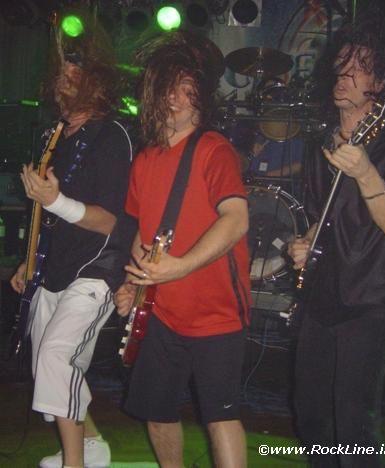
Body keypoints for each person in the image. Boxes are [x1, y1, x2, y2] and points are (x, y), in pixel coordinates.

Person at [287, 9, 385, 468]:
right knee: (311, 415)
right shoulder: (322, 144)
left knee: (353, 422)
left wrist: (366, 171)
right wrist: (303, 243)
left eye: (359, 67)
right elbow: (322, 218)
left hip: (373, 297)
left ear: (382, 82)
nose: (344, 75)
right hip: (324, 291)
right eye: (342, 63)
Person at [114, 30, 250, 468]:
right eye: (168, 87)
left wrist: (182, 266)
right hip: (161, 311)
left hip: (216, 312)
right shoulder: (144, 159)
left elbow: (236, 219)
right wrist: (134, 284)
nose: (175, 98)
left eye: (185, 89)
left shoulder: (214, 150)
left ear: (201, 97)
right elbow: (142, 235)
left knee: (220, 417)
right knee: (156, 412)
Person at [10, 10, 132, 468]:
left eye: (73, 71)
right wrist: (28, 259)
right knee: (51, 365)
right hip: (54, 266)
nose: (63, 79)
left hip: (96, 268)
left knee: (58, 357)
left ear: (95, 81)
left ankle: (75, 462)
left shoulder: (113, 136)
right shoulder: (55, 134)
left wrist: (56, 200)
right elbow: (45, 213)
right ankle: (93, 445)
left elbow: (110, 221)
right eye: (60, 72)